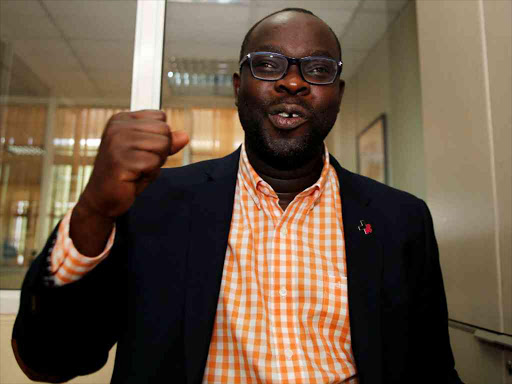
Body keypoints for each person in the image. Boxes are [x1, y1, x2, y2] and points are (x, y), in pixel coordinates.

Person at [12, 8, 463, 384]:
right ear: (237, 87)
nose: (292, 82)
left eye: (318, 69)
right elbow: (49, 361)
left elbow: (432, 372)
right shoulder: (155, 205)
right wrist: (94, 208)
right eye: (268, 64)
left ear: (338, 95)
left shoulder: (401, 220)